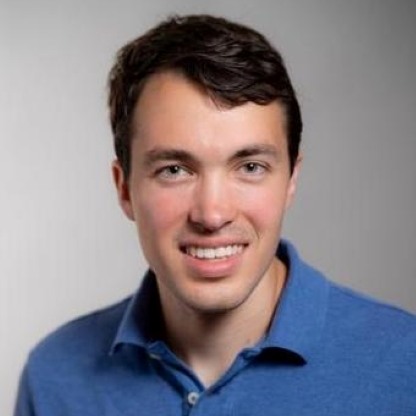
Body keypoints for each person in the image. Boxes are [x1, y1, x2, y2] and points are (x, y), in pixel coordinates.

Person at [15, 14, 416, 415]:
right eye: (174, 170)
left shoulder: (403, 363)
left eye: (250, 167)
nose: (212, 213)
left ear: (291, 179)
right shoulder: (55, 378)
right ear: (124, 188)